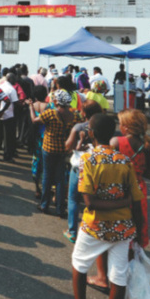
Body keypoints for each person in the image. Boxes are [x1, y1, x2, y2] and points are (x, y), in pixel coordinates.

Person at [71, 113, 144, 299]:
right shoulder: (125, 161)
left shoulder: (88, 159)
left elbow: (89, 201)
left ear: (91, 133)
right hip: (123, 227)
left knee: (79, 265)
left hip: (94, 226)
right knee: (119, 276)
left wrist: (116, 203)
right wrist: (139, 228)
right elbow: (136, 201)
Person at [112, 110, 150, 247]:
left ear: (125, 127)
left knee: (117, 225)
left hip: (117, 188)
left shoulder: (116, 142)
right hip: (138, 189)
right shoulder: (149, 146)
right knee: (137, 222)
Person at [31, 89, 79, 217]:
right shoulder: (74, 116)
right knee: (60, 179)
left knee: (47, 176)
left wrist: (31, 106)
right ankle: (60, 208)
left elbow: (35, 120)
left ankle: (44, 205)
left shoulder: (51, 113)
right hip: (63, 149)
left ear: (57, 101)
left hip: (48, 148)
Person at [63, 100, 102, 245]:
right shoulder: (102, 126)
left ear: (84, 113)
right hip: (97, 166)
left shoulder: (79, 127)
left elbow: (68, 146)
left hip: (79, 166)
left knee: (73, 198)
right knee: (92, 200)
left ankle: (72, 232)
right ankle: (93, 230)